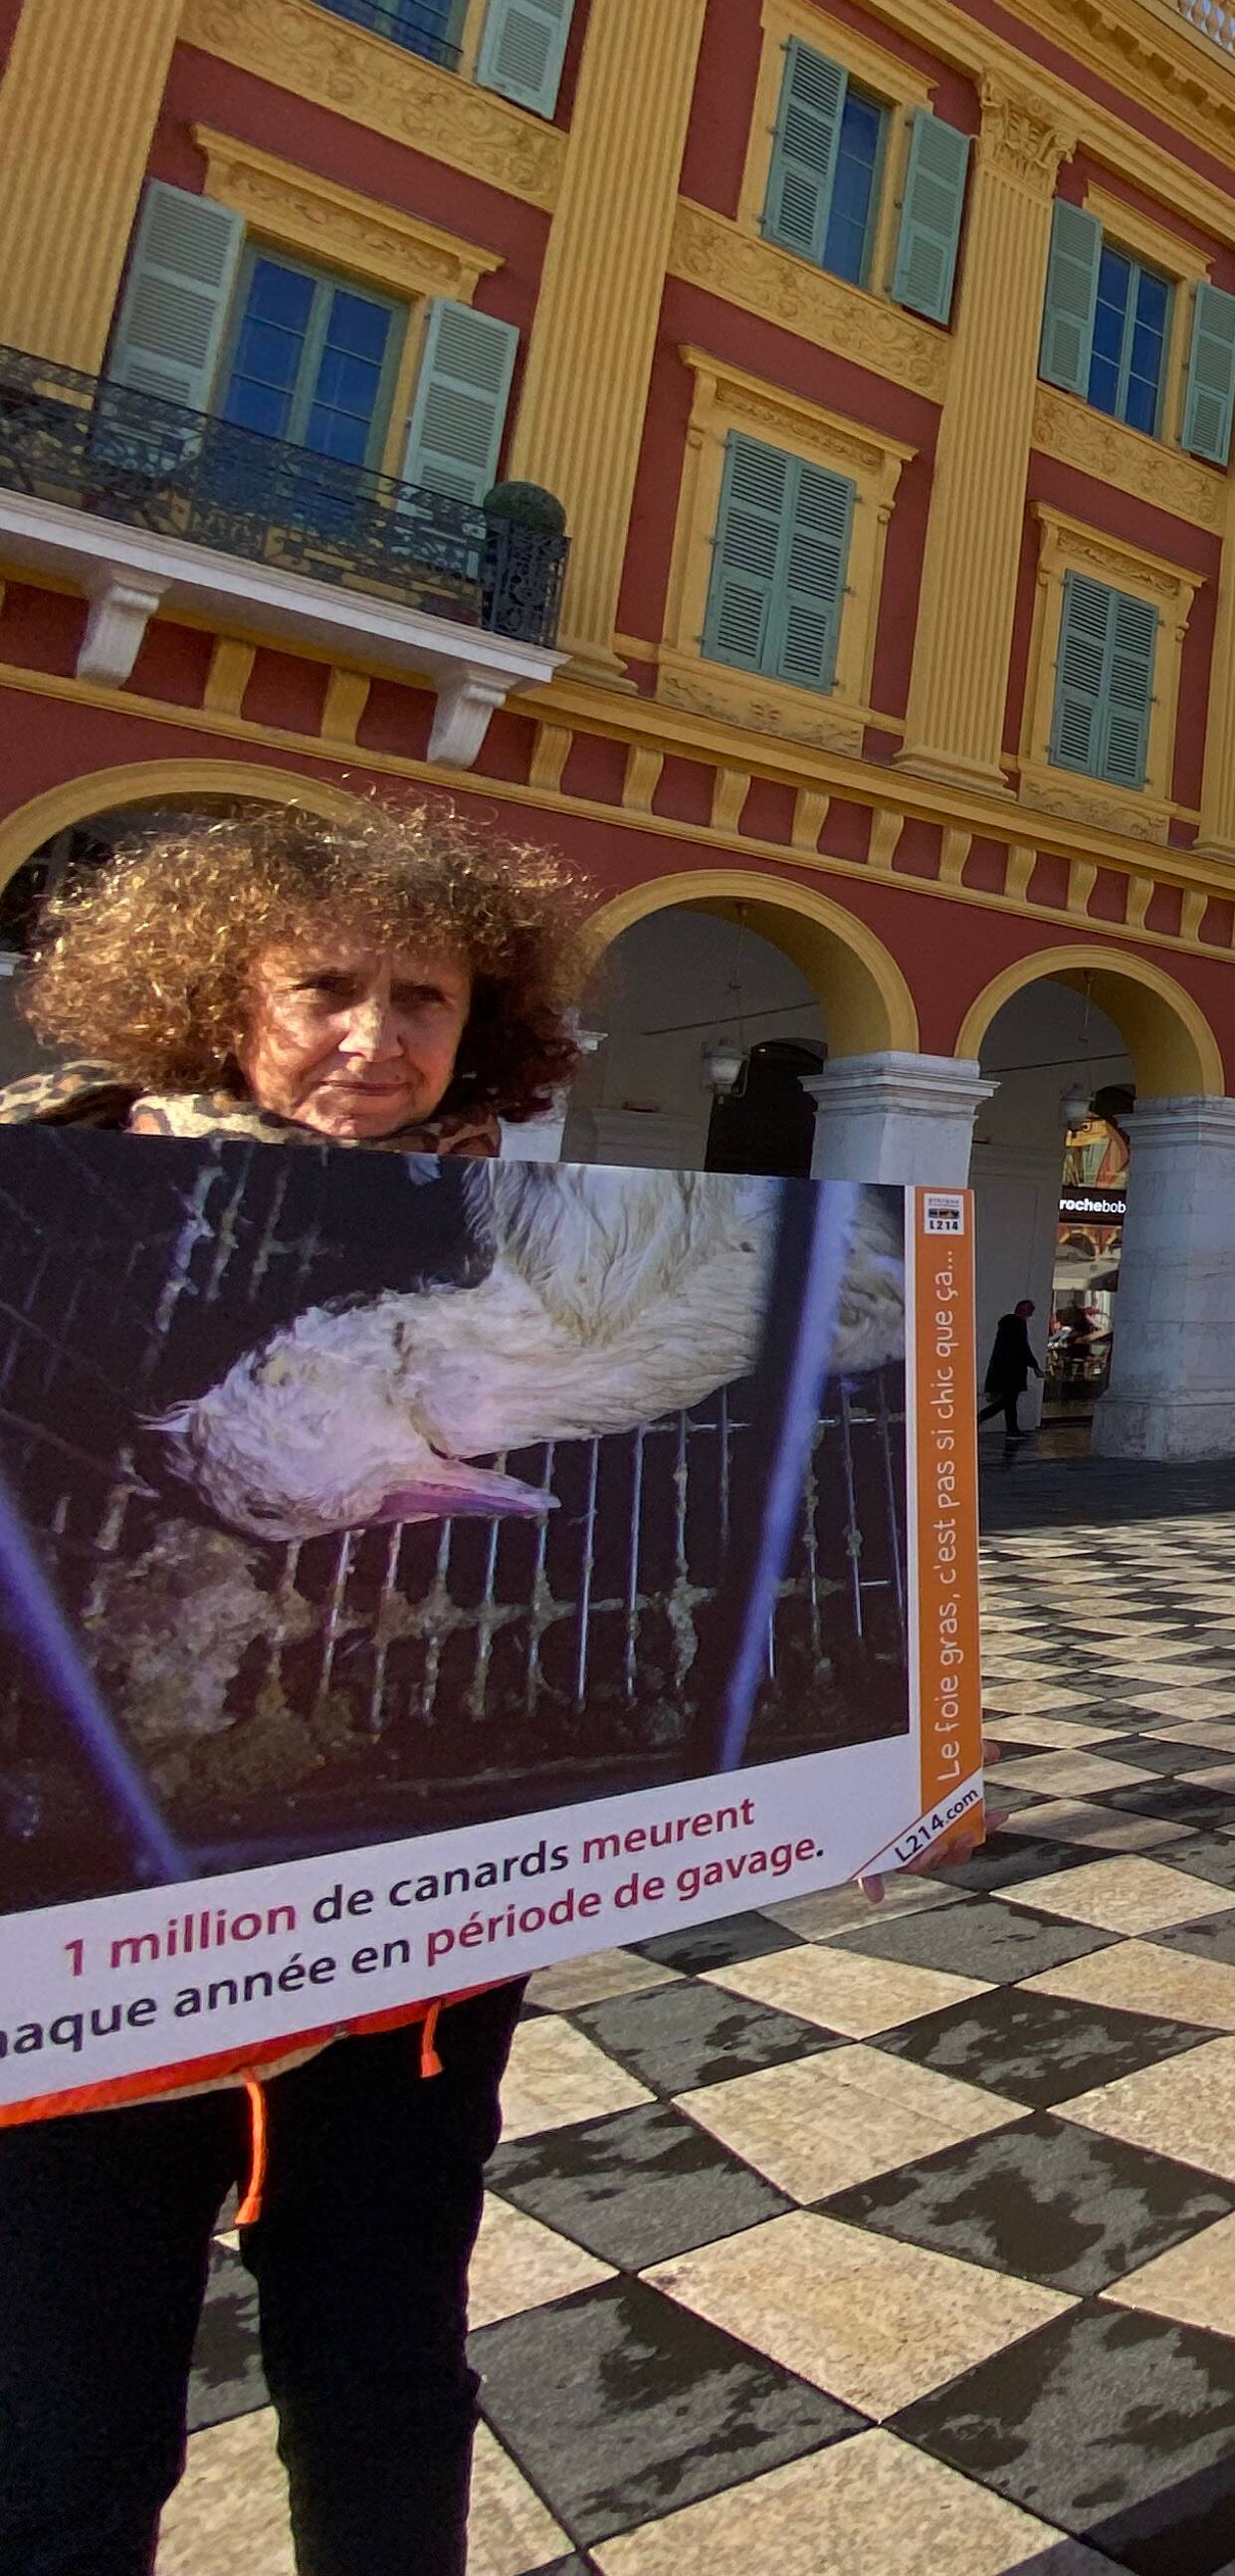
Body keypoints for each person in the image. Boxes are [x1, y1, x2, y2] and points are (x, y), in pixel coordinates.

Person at [0, 798, 592, 2576]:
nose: (376, 1036)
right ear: (213, 997)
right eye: (322, 985)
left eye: (422, 995)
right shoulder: (41, 1189)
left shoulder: (517, 1233)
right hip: (87, 1986)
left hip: (401, 1955)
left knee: (389, 2376)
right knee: (65, 2460)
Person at [981, 1295, 1039, 1450]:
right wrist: (1034, 1365)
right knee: (1006, 1402)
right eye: (1030, 1310)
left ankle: (1012, 1430)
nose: (1031, 1314)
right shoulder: (1017, 1325)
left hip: (1004, 1370)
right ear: (1023, 1310)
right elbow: (1021, 1347)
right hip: (1011, 1371)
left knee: (1009, 1402)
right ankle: (977, 1420)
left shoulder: (1008, 1325)